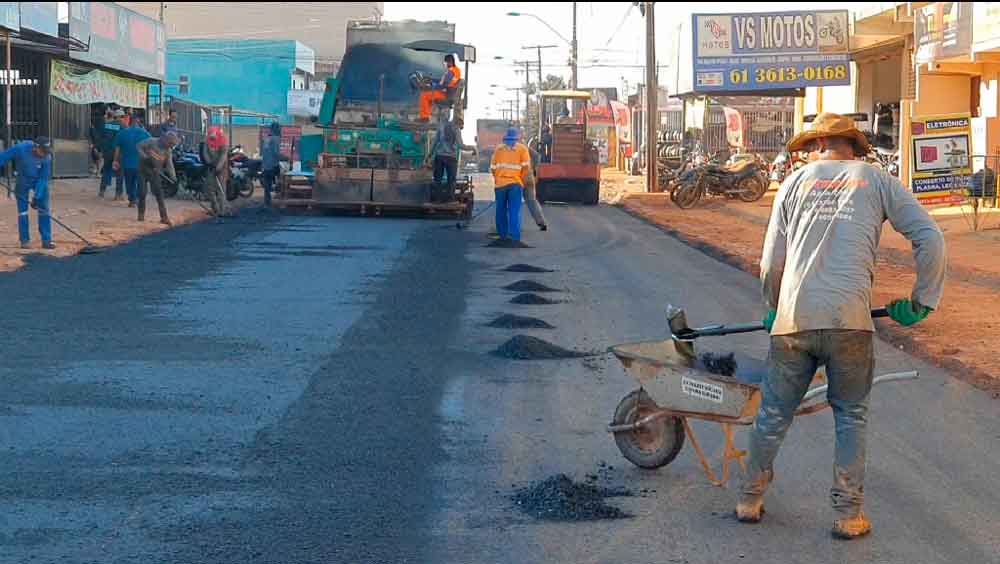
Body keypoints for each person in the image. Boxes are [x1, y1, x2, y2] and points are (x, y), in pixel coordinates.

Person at [739, 113, 947, 539]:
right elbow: (931, 238)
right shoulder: (874, 180)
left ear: (819, 146)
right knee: (851, 415)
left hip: (794, 319)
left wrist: (773, 308)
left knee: (774, 413)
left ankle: (749, 498)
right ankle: (848, 515)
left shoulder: (793, 185)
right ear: (853, 146)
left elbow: (771, 263)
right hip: (851, 322)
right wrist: (922, 301)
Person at [0, 138, 54, 249]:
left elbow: (43, 178)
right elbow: (3, 157)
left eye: (47, 151)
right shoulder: (21, 148)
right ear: (35, 147)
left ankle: (46, 240)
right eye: (42, 151)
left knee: (44, 209)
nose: (44, 154)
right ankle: (25, 240)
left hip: (38, 180)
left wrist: (36, 197)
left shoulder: (47, 157)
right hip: (23, 181)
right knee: (23, 211)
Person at [490, 127, 530, 243]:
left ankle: (503, 236)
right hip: (515, 184)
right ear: (517, 139)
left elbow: (492, 168)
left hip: (500, 185)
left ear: (505, 139)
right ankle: (514, 237)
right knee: (514, 210)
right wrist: (520, 180)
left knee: (500, 210)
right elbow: (526, 168)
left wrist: (497, 179)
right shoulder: (522, 149)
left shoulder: (498, 149)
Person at [136, 131, 180, 225]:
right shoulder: (152, 141)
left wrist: (173, 177)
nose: (171, 146)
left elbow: (169, 165)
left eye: (173, 145)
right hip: (143, 171)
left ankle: (164, 217)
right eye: (170, 143)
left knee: (159, 194)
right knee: (142, 193)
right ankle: (141, 214)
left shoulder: (168, 151)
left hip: (155, 172)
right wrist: (144, 156)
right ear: (166, 140)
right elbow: (138, 146)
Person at [430, 118, 474, 203]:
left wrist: (429, 155)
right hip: (451, 158)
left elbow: (434, 143)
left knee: (437, 179)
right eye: (461, 127)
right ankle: (450, 199)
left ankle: (437, 199)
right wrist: (473, 148)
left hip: (439, 156)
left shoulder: (441, 127)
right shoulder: (456, 129)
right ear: (459, 124)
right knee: (451, 180)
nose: (461, 128)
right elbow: (461, 146)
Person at [112, 118, 151, 207]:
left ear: (129, 123)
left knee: (129, 182)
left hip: (127, 164)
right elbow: (151, 147)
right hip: (141, 164)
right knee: (139, 181)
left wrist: (115, 161)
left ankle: (132, 199)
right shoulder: (145, 133)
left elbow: (117, 149)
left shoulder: (122, 133)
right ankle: (136, 198)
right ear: (138, 123)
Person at [419, 54, 462, 122]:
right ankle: (426, 116)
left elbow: (443, 85)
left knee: (424, 95)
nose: (444, 64)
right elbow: (443, 81)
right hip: (450, 94)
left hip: (446, 96)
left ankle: (424, 118)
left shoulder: (451, 72)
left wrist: (432, 86)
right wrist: (431, 80)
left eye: (445, 62)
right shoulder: (456, 70)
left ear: (450, 62)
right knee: (428, 95)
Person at [200, 126, 232, 217]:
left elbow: (223, 156)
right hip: (211, 167)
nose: (212, 140)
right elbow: (205, 152)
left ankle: (222, 210)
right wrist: (209, 163)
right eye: (211, 138)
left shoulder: (224, 141)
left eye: (214, 138)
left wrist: (218, 168)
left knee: (221, 189)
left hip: (221, 167)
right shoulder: (207, 140)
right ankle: (215, 208)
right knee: (210, 188)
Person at [98, 109, 126, 199]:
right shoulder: (123, 126)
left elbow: (102, 138)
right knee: (119, 174)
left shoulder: (107, 125)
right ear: (120, 117)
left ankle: (102, 191)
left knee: (106, 171)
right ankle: (118, 194)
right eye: (123, 117)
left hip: (107, 152)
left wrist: (102, 150)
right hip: (117, 154)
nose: (123, 119)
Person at [260, 121, 282, 206]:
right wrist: (286, 158)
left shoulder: (267, 138)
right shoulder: (275, 139)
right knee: (282, 179)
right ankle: (280, 196)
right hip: (272, 165)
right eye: (279, 128)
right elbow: (276, 153)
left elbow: (264, 152)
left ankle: (267, 203)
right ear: (276, 129)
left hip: (265, 165)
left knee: (267, 186)